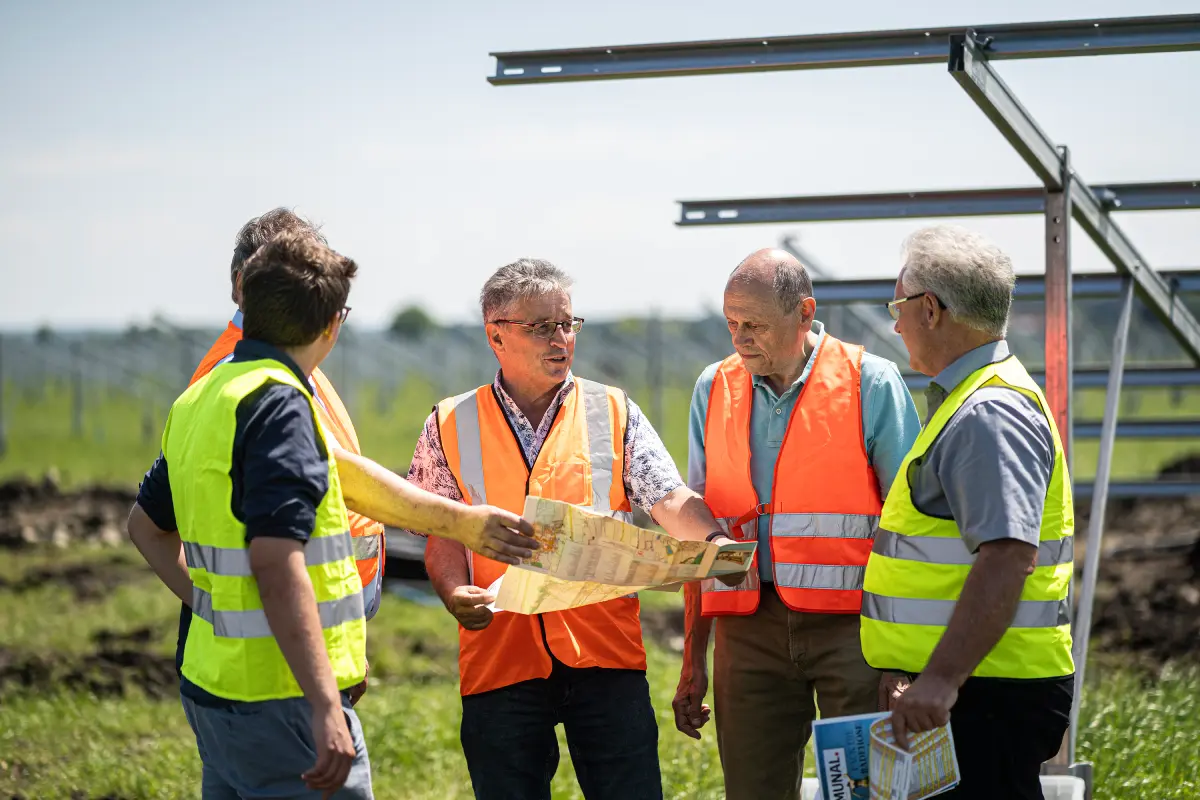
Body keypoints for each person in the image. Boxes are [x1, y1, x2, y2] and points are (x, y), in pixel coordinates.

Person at [177, 207, 538, 704]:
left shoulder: (259, 371)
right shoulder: (266, 389)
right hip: (281, 664)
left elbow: (145, 524)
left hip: (281, 648)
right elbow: (320, 508)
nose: (326, 314)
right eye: (299, 280)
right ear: (247, 284)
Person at [409, 258, 737, 800]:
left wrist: (713, 543)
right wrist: (450, 591)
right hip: (500, 659)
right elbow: (442, 530)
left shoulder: (613, 409)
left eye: (567, 323)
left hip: (605, 655)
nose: (561, 338)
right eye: (541, 327)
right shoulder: (448, 422)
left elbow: (667, 497)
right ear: (496, 335)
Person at [126, 231, 374, 798]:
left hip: (212, 691)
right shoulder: (282, 404)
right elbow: (274, 560)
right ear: (333, 323)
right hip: (283, 700)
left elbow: (144, 527)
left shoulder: (202, 398)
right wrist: (323, 704)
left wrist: (208, 604)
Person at [672, 248, 921, 800]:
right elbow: (695, 530)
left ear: (804, 311)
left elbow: (909, 531)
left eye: (754, 324)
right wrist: (694, 659)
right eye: (732, 323)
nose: (740, 337)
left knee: (870, 793)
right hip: (746, 630)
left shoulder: (870, 381)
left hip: (857, 637)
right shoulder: (711, 389)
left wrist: (904, 660)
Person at [861, 224, 1075, 800]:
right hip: (972, 688)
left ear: (929, 309)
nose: (895, 323)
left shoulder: (988, 412)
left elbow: (1006, 558)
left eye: (898, 306)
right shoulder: (973, 399)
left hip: (985, 694)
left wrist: (940, 680)